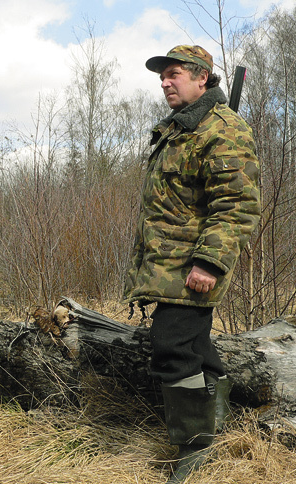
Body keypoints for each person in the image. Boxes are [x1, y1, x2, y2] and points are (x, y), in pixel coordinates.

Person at [123, 45, 261, 483]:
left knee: (172, 348)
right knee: (196, 348)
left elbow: (236, 205)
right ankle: (214, 428)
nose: (165, 81)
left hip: (191, 266)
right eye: (162, 75)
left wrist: (210, 263)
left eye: (175, 73)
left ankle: (194, 448)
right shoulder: (181, 128)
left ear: (203, 78)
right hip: (168, 263)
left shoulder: (223, 129)